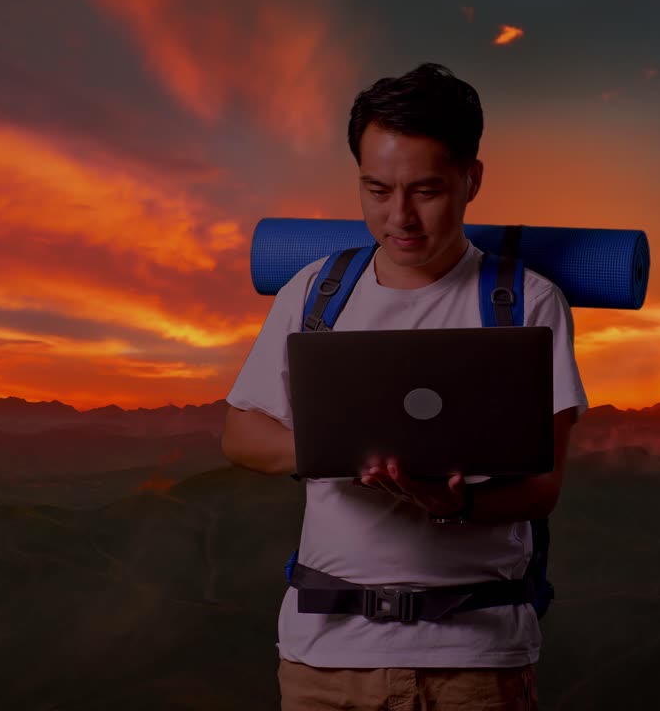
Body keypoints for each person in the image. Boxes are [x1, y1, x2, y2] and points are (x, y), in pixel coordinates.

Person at [222, 62, 588, 710]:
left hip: (474, 660)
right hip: (324, 655)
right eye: (376, 189)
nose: (400, 217)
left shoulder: (523, 302)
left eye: (426, 190)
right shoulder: (315, 291)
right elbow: (242, 434)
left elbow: (543, 487)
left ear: (471, 180)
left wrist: (448, 504)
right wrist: (341, 447)